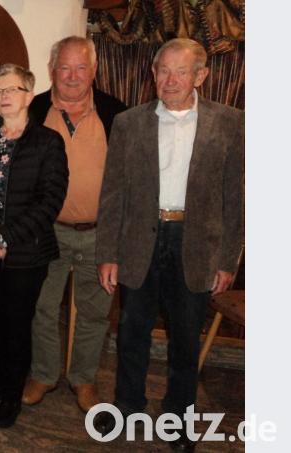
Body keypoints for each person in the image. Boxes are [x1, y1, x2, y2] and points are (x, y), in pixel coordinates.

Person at [93, 38, 244, 451]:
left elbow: (236, 199)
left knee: (185, 339)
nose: (170, 79)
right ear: (152, 73)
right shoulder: (129, 122)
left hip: (196, 245)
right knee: (132, 332)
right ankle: (128, 409)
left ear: (201, 76)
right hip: (140, 241)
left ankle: (179, 420)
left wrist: (227, 258)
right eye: (162, 70)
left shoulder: (231, 122)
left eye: (180, 71)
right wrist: (107, 253)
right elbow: (113, 194)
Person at [0, 64, 68, 428]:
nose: (5, 95)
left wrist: (6, 237)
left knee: (17, 325)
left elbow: (49, 200)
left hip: (26, 253)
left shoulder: (48, 142)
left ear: (28, 94)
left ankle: (11, 394)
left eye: (13, 89)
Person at [24, 36, 127, 412]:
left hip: (100, 234)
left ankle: (83, 379)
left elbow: (130, 180)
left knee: (95, 312)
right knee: (42, 306)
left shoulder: (118, 113)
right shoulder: (32, 111)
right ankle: (43, 375)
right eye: (64, 67)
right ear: (51, 70)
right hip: (45, 232)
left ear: (94, 71)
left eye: (81, 67)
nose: (72, 75)